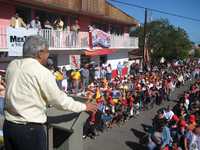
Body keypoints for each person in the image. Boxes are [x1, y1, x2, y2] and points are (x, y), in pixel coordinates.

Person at [3, 35, 97, 150]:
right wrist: (84, 106)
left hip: (9, 126)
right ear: (40, 53)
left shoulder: (12, 65)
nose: (48, 55)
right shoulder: (42, 72)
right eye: (48, 52)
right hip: (29, 131)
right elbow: (59, 101)